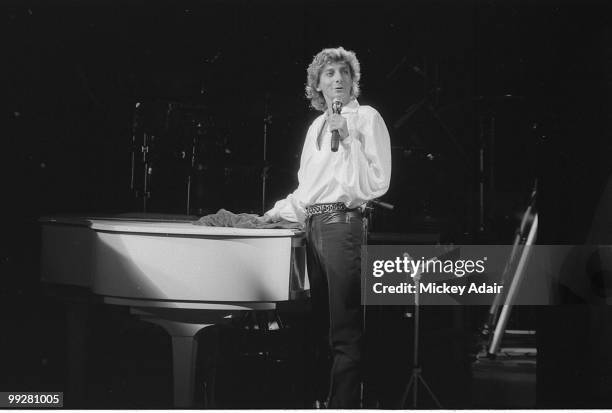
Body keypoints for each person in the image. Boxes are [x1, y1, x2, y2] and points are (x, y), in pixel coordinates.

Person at [260, 46, 392, 408]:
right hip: (314, 225)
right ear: (317, 84)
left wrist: (348, 138)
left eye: (344, 74)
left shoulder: (366, 117)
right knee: (318, 326)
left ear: (353, 82)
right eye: (330, 74)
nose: (338, 80)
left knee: (344, 330)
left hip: (344, 225)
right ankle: (321, 402)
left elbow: (376, 183)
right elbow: (308, 189)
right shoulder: (316, 126)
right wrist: (274, 213)